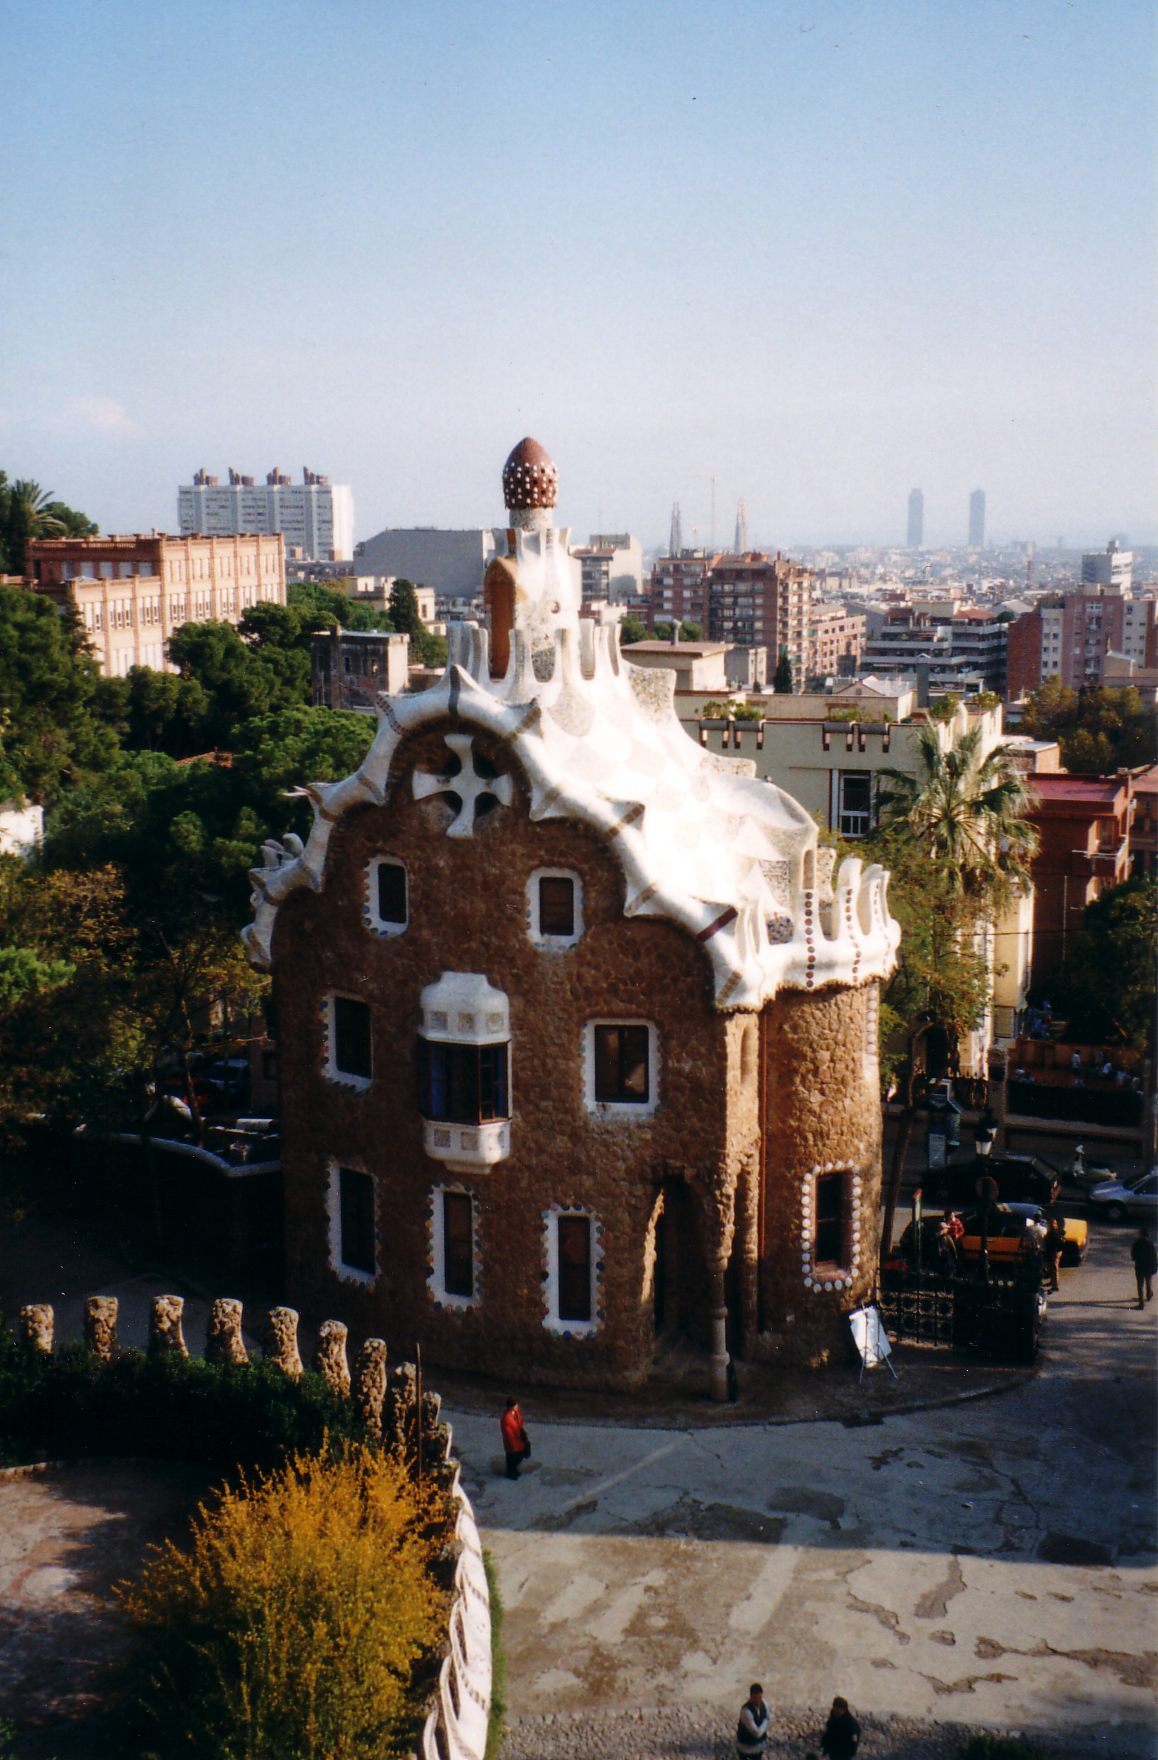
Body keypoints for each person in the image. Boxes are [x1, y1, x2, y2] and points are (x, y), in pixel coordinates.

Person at [500, 1397, 531, 1479]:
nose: (517, 1406)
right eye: (515, 1405)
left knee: (519, 1455)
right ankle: (511, 1473)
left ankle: (513, 1471)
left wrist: (522, 1431)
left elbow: (519, 1422)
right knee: (512, 1458)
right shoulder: (506, 1419)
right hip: (512, 1443)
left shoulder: (515, 1413)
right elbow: (509, 1435)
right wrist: (513, 1447)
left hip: (518, 1439)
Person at [736, 1683, 770, 1757]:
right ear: (751, 1696)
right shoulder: (746, 1711)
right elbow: (756, 1733)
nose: (757, 1701)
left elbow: (769, 1720)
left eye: (759, 1698)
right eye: (755, 1698)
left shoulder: (764, 1704)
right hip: (746, 1749)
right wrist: (766, 1721)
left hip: (759, 1747)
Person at [1130, 1227, 1157, 1309]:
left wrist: (1135, 1259)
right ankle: (1149, 1295)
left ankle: (1141, 1303)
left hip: (1140, 1266)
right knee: (1148, 1281)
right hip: (1149, 1266)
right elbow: (1154, 1255)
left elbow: (1133, 1254)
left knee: (1140, 1284)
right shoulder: (1150, 1243)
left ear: (1140, 1234)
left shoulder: (1137, 1243)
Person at [1042, 1219, 1064, 1293]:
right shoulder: (1056, 1231)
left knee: (1054, 1268)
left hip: (1055, 1252)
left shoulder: (1054, 1233)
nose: (1051, 1225)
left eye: (1053, 1223)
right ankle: (1052, 1281)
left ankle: (1055, 1286)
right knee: (1051, 1267)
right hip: (1055, 1252)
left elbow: (1055, 1243)